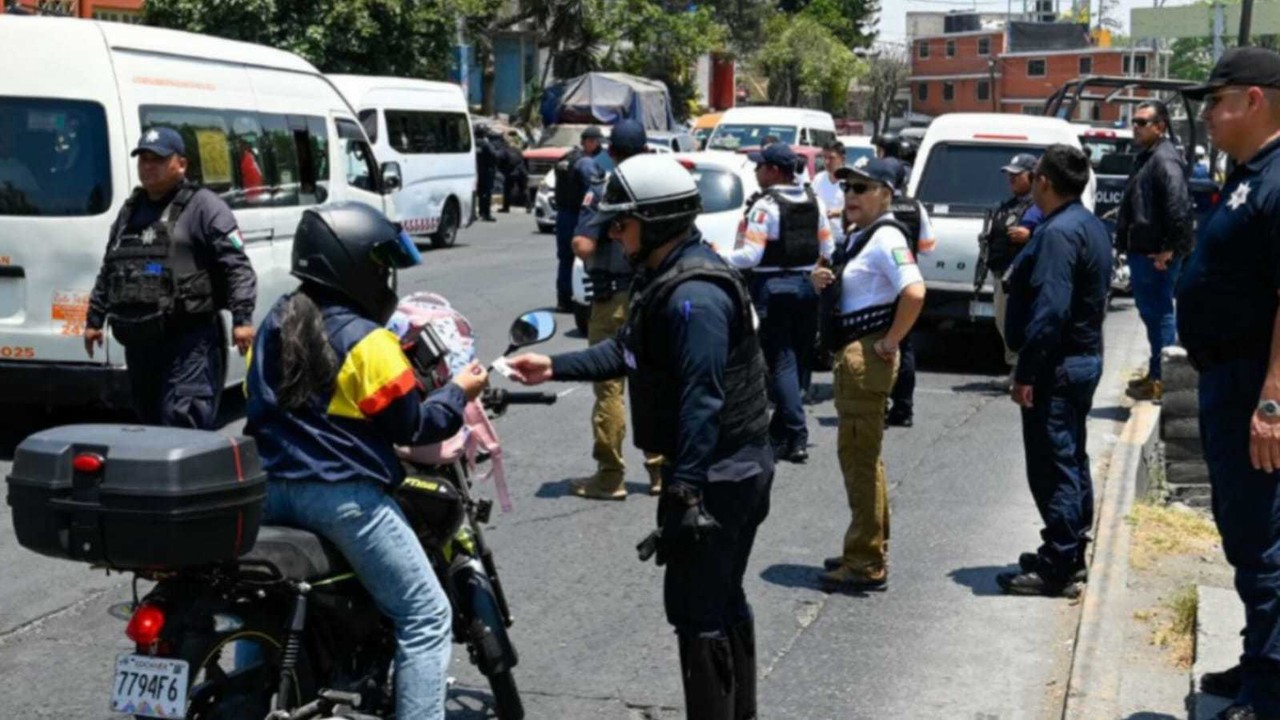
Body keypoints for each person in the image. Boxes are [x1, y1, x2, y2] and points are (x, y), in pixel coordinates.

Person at [506, 154, 774, 719]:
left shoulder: (691, 297)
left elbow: (703, 401)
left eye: (622, 224)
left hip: (719, 472)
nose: (613, 234)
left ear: (655, 222)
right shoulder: (670, 276)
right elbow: (628, 352)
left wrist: (686, 493)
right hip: (727, 466)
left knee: (698, 610)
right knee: (720, 600)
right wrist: (553, 366)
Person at [244, 202, 488, 720]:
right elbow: (414, 426)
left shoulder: (274, 322)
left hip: (267, 492)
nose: (386, 276)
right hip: (340, 498)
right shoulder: (368, 340)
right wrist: (459, 392)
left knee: (261, 601)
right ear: (352, 265)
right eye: (379, 264)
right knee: (425, 615)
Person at [1176, 47, 1280, 720]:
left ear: (1254, 100)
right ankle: (1255, 664)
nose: (1208, 114)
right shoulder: (1249, 173)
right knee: (1244, 535)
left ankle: (1268, 693)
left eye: (1217, 100)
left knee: (1263, 542)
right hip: (1228, 376)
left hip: (1253, 384)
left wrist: (1272, 399)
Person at [84, 127, 257, 429]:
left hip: (188, 340)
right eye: (143, 159)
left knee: (181, 421)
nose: (148, 166)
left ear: (181, 164)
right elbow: (110, 267)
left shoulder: (204, 207)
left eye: (158, 159)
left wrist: (242, 319)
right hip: (140, 341)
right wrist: (94, 320)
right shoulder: (129, 211)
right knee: (147, 423)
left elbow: (237, 265)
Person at [999, 144, 1110, 597]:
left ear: (1043, 181)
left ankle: (1059, 565)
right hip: (1078, 360)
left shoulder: (1059, 233)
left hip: (1058, 366)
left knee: (1052, 463)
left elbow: (1050, 311)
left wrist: (1026, 373)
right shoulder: (1087, 224)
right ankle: (1066, 550)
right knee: (1070, 457)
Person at [811, 158, 925, 591]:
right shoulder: (861, 236)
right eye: (848, 188)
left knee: (859, 462)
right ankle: (868, 543)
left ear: (886, 194)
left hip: (866, 359)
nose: (851, 195)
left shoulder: (887, 236)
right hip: (854, 354)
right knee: (863, 461)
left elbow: (914, 292)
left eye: (862, 188)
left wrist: (892, 340)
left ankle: (865, 561)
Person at [569, 120, 664, 499]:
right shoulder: (659, 190)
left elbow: (583, 246)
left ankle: (610, 475)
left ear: (611, 150)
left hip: (613, 301)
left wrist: (589, 236)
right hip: (652, 297)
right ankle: (660, 473)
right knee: (652, 382)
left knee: (609, 387)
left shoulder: (608, 188)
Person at [723, 142, 833, 464]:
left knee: (781, 363)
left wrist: (716, 254)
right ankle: (781, 434)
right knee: (797, 363)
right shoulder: (815, 201)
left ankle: (797, 434)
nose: (756, 171)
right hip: (806, 288)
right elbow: (828, 247)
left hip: (772, 290)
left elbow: (750, 256)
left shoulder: (765, 206)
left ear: (773, 170)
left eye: (760, 166)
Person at [1115, 99, 1196, 402]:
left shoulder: (1164, 159)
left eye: (1141, 122)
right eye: (1133, 121)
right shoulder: (1149, 156)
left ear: (1160, 127)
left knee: (1159, 314)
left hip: (1155, 254)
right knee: (1152, 314)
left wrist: (1170, 249)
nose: (1134, 127)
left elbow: (1179, 207)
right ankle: (1157, 373)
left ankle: (1164, 379)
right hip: (1145, 251)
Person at [880, 156, 935, 428]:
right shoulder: (916, 207)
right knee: (905, 344)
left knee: (876, 344)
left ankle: (878, 405)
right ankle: (904, 408)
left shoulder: (876, 205)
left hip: (879, 287)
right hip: (907, 283)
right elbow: (928, 246)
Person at [983, 154, 1047, 375]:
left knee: (1019, 324)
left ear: (1032, 176)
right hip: (1002, 274)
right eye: (1009, 175)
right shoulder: (1009, 205)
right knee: (1003, 323)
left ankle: (1022, 371)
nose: (1011, 179)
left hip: (1023, 275)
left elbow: (1055, 232)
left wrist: (1030, 235)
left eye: (1016, 175)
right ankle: (1016, 370)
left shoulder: (1041, 205)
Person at [552, 126, 605, 312]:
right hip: (578, 215)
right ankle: (587, 298)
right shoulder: (585, 163)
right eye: (597, 141)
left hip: (563, 214)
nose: (600, 146)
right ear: (589, 142)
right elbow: (594, 190)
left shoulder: (567, 158)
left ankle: (563, 298)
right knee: (584, 257)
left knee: (565, 258)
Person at [813, 141, 847, 239]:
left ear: (842, 159)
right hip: (821, 238)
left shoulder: (850, 181)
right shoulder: (818, 179)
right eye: (824, 158)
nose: (827, 162)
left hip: (841, 238)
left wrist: (837, 213)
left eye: (831, 158)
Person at [497, 135, 529, 215]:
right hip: (521, 172)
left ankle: (506, 208)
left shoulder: (504, 151)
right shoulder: (518, 150)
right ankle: (529, 207)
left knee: (507, 190)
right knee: (524, 189)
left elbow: (500, 161)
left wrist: (503, 171)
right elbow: (524, 160)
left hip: (511, 173)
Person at [475, 125, 498, 222]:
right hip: (487, 171)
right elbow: (494, 155)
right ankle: (486, 214)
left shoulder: (474, 143)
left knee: (480, 193)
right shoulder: (486, 144)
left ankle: (480, 212)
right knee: (487, 193)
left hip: (477, 171)